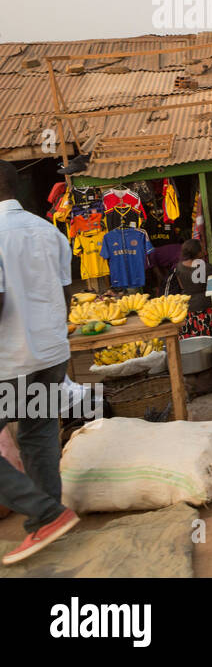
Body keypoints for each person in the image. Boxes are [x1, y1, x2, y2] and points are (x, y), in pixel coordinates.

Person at [0, 160, 81, 564]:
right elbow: (65, 293)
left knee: (36, 438)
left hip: (10, 360)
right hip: (50, 353)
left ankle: (45, 513)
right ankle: (49, 526)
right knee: (37, 438)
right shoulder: (48, 231)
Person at [168, 239, 212, 338]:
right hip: (205, 307)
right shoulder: (207, 268)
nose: (204, 250)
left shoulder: (179, 267)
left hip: (188, 309)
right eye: (203, 248)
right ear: (197, 252)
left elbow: (182, 286)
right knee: (208, 339)